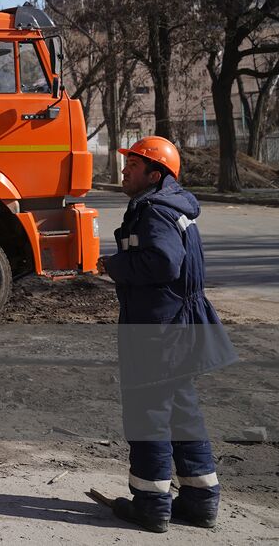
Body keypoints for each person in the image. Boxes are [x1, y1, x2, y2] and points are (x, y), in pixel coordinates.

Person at [101, 136, 236, 533]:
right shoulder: (171, 206)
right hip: (177, 326)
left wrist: (116, 267)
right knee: (181, 411)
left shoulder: (154, 211)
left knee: (148, 414)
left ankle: (151, 504)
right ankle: (200, 500)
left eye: (132, 167)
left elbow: (163, 263)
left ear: (154, 174)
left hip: (158, 331)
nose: (124, 171)